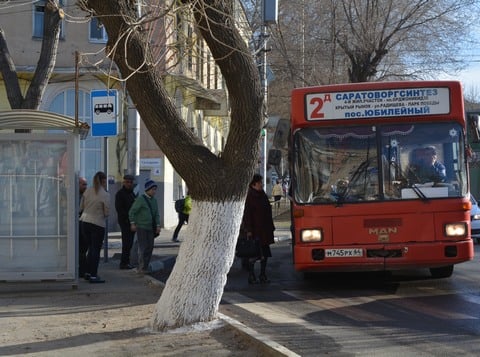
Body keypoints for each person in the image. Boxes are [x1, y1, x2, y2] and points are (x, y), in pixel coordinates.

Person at [241, 174, 275, 284]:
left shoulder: (263, 195)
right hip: (255, 231)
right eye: (260, 182)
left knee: (265, 254)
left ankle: (262, 274)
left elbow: (268, 212)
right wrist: (249, 230)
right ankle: (251, 275)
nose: (262, 184)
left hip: (265, 230)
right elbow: (247, 215)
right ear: (254, 184)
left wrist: (271, 227)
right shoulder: (250, 197)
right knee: (253, 254)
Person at [79, 171, 110, 283]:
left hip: (84, 222)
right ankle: (93, 275)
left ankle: (87, 272)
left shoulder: (87, 191)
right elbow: (106, 212)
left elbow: (81, 207)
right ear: (103, 181)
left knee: (89, 249)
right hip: (97, 224)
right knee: (95, 250)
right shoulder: (105, 195)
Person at [129, 179, 161, 274]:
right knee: (142, 247)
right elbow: (132, 212)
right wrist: (133, 223)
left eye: (155, 189)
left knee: (149, 247)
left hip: (151, 227)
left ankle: (145, 267)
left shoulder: (154, 200)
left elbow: (156, 214)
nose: (154, 191)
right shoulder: (141, 199)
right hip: (142, 227)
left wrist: (158, 225)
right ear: (147, 189)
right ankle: (141, 267)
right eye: (152, 189)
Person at [115, 174, 137, 270]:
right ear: (124, 182)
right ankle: (123, 263)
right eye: (127, 182)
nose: (129, 184)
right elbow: (119, 209)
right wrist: (127, 219)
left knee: (130, 243)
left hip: (132, 222)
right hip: (125, 222)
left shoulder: (132, 193)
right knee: (126, 243)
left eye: (130, 182)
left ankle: (126, 262)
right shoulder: (120, 194)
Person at [78, 177, 88, 279]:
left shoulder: (86, 196)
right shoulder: (75, 196)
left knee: (83, 249)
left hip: (84, 224)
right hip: (78, 225)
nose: (85, 186)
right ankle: (82, 270)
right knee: (81, 249)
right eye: (83, 184)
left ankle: (83, 269)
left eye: (86, 184)